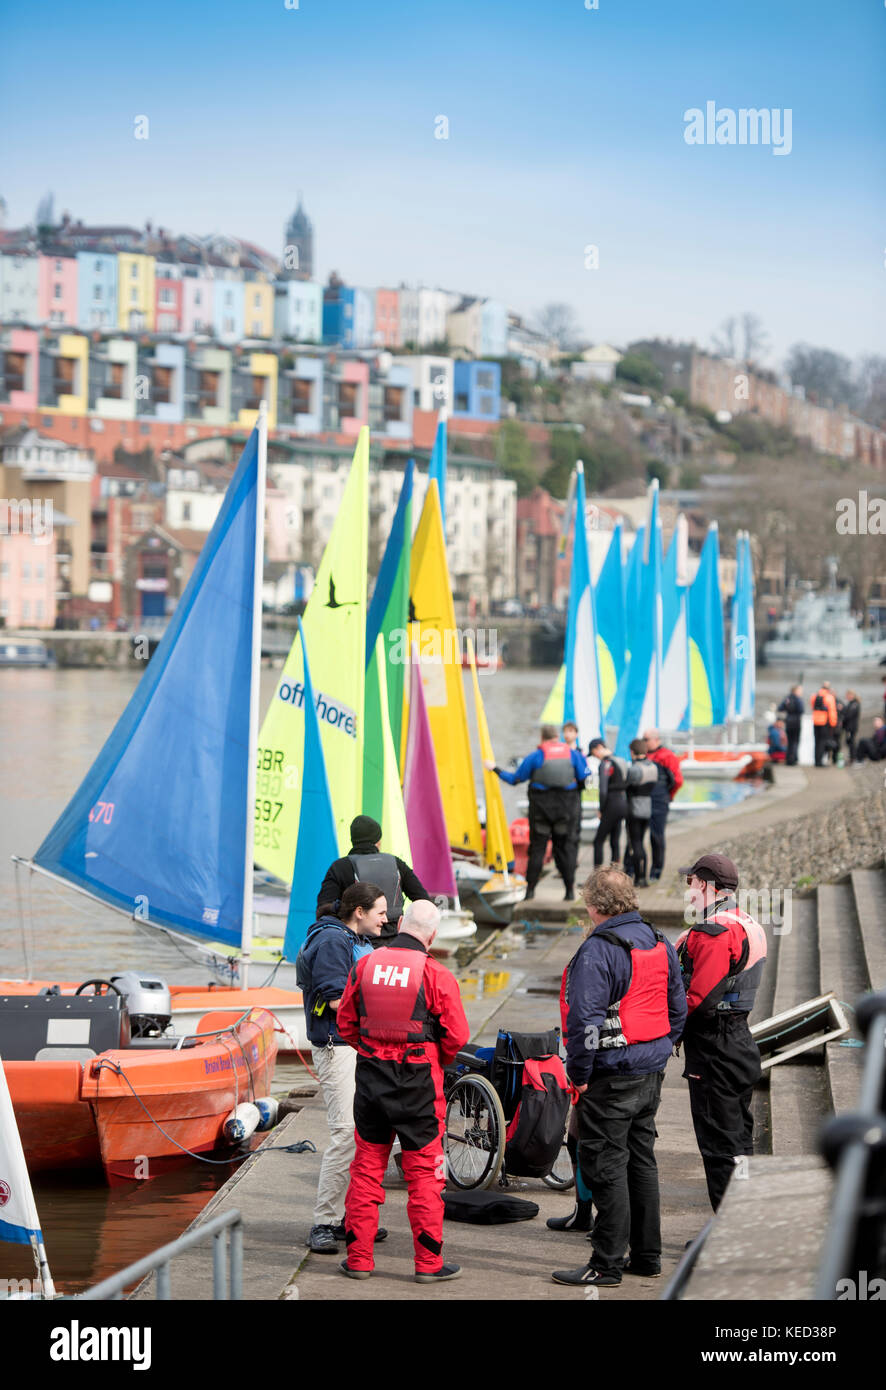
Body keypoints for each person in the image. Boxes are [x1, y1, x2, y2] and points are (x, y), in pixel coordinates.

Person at [552, 866, 687, 1287]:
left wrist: (580, 1073)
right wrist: (660, 1051)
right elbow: (678, 1008)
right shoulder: (658, 940)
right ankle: (647, 1256)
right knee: (641, 1163)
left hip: (611, 1075)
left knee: (606, 1166)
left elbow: (584, 1021)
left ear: (593, 905)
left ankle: (606, 1263)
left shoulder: (598, 949)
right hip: (650, 1070)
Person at [336, 900, 471, 1283]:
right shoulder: (436, 974)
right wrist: (435, 1057)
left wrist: (372, 1050)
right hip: (419, 1085)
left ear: (399, 925)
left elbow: (346, 1023)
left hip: (372, 1080)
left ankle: (359, 1260)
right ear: (432, 935)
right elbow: (457, 1037)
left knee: (366, 1169)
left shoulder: (365, 965)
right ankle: (428, 1265)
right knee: (425, 1175)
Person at [295, 882, 389, 1255]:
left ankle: (350, 1219)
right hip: (338, 1049)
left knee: (364, 1133)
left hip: (357, 1048)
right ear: (359, 912)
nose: (386, 918)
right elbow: (336, 1001)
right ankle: (323, 1222)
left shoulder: (353, 940)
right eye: (380, 911)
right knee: (345, 1133)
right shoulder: (335, 942)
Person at [676, 854, 768, 1211]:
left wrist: (666, 1032)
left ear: (704, 884)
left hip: (715, 1049)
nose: (689, 892)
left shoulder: (714, 931)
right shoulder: (747, 922)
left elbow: (700, 998)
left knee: (718, 1146)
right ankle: (741, 1220)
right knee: (739, 1142)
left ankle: (725, 1231)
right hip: (738, 1042)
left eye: (690, 884)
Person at [485, 723, 588, 901]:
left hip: (540, 813)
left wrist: (494, 768)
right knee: (564, 849)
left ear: (542, 738)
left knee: (537, 850)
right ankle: (569, 892)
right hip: (566, 812)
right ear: (558, 737)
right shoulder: (573, 755)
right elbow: (584, 776)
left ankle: (530, 892)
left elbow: (514, 779)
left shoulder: (535, 756)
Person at [316, 815, 432, 945]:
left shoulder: (339, 867)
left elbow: (323, 910)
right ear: (378, 842)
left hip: (357, 945)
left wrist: (346, 912)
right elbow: (424, 902)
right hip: (396, 943)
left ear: (353, 840)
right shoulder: (397, 864)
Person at [643, 728, 684, 881]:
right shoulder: (643, 756)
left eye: (646, 739)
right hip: (644, 801)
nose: (644, 742)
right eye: (643, 740)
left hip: (660, 801)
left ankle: (656, 870)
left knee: (656, 836)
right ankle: (633, 869)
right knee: (637, 836)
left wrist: (668, 796)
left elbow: (678, 780)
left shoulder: (667, 756)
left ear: (656, 740)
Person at [588, 739, 629, 868]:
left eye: (594, 753)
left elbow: (603, 790)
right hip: (623, 802)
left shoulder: (605, 763)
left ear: (599, 748)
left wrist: (601, 809)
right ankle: (615, 874)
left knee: (598, 841)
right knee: (615, 841)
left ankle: (596, 875)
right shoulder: (620, 760)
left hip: (611, 803)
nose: (595, 757)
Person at [623, 738, 658, 888]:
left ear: (632, 752)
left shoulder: (634, 769)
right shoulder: (653, 767)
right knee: (641, 843)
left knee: (635, 843)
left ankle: (640, 878)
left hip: (634, 809)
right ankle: (643, 876)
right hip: (647, 808)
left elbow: (626, 786)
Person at [561, 720, 586, 873]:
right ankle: (562, 865)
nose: (567, 734)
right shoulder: (560, 751)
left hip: (575, 795)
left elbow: (587, 772)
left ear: (576, 734)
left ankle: (573, 861)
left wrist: (580, 783)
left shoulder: (580, 752)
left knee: (574, 831)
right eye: (565, 731)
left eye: (571, 731)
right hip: (561, 796)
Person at [811, 681, 838, 766]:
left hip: (815, 722)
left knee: (816, 742)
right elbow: (832, 712)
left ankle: (816, 761)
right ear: (829, 688)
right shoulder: (830, 697)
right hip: (824, 723)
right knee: (822, 742)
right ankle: (820, 762)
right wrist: (833, 724)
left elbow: (812, 707)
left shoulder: (814, 696)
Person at [777, 684, 804, 766]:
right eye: (800, 691)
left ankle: (788, 758)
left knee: (789, 741)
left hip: (788, 722)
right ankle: (793, 759)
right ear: (796, 691)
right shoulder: (798, 699)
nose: (801, 692)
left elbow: (780, 708)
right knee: (795, 741)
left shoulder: (787, 699)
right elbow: (801, 710)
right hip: (796, 722)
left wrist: (787, 708)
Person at [841, 690, 860, 763]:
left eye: (847, 695)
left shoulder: (855, 704)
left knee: (851, 742)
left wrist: (843, 712)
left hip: (851, 727)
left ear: (851, 695)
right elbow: (846, 712)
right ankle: (852, 757)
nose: (846, 697)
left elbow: (849, 715)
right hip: (848, 727)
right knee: (848, 741)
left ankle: (853, 758)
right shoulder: (850, 703)